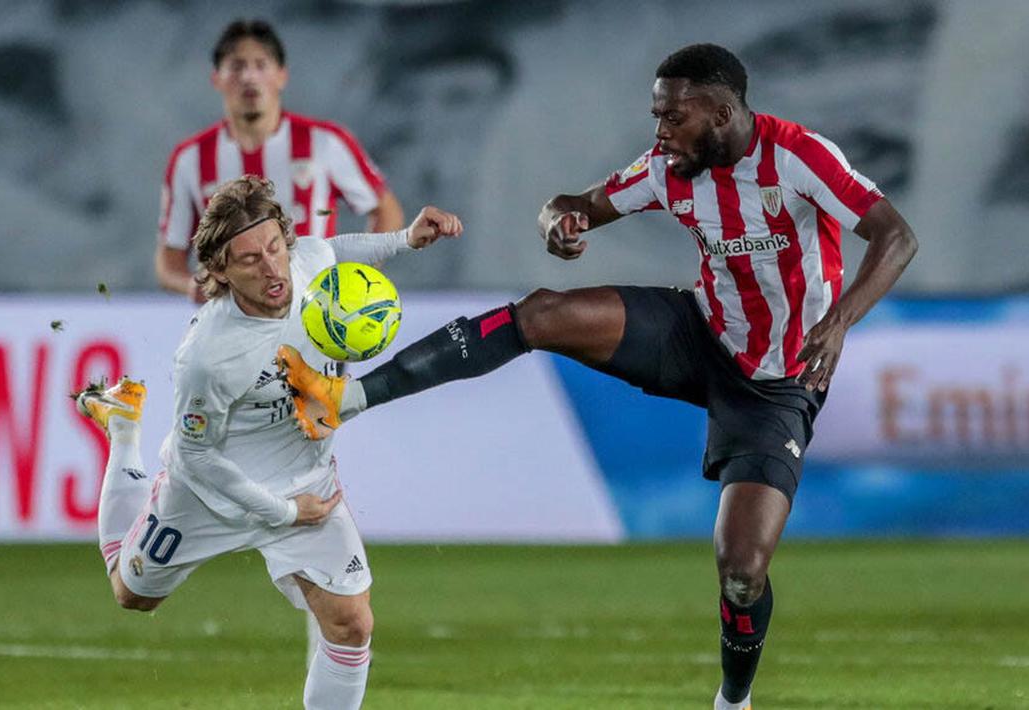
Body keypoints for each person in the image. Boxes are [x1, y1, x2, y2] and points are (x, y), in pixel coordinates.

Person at [276, 44, 917, 710]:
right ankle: (351, 397)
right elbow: (569, 204)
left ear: (722, 113)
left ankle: (733, 700)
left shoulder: (798, 157)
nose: (659, 131)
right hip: (699, 332)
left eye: (673, 117)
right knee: (542, 313)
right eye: (656, 115)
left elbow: (894, 236)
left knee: (741, 571)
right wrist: (558, 225)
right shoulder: (668, 169)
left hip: (780, 381)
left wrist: (839, 321)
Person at [77, 176, 460, 710]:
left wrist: (403, 239)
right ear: (220, 271)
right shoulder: (208, 356)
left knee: (351, 624)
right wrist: (283, 512)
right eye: (250, 259)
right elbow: (194, 455)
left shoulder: (304, 265)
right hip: (209, 495)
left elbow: (333, 250)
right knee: (131, 594)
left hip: (307, 482)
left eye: (276, 247)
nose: (272, 268)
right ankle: (123, 429)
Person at [156, 19, 405, 303]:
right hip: (231, 317)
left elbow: (387, 211)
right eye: (236, 66)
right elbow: (169, 259)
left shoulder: (325, 143)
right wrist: (192, 285)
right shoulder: (190, 159)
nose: (249, 77)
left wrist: (355, 279)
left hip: (312, 312)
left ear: (282, 76)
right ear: (217, 79)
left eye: (261, 65)